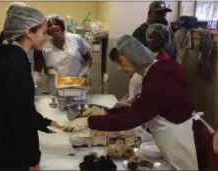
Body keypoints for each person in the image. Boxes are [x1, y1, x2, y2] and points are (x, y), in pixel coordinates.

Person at [69, 35, 209, 170]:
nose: (119, 68)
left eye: (120, 61)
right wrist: (105, 112)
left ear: (132, 55)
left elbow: (132, 118)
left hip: (185, 141)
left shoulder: (160, 78)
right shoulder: (153, 72)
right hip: (175, 141)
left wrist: (89, 122)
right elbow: (138, 108)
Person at [0, 6, 61, 170]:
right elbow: (21, 118)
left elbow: (21, 107)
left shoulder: (11, 57)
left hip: (1, 143)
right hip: (6, 149)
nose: (46, 37)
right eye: (43, 32)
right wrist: (33, 158)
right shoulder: (15, 64)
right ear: (29, 32)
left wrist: (46, 123)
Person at [0, 2, 44, 87]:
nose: (44, 38)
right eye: (43, 33)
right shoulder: (14, 61)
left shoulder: (17, 58)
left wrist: (36, 73)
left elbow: (39, 56)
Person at [116, 23, 171, 107]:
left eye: (156, 39)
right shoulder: (143, 54)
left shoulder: (163, 61)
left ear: (163, 42)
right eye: (150, 38)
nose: (150, 41)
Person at [42, 14, 92, 95]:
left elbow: (88, 57)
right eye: (50, 25)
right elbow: (45, 68)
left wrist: (86, 69)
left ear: (62, 26)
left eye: (56, 24)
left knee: (80, 107)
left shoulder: (75, 39)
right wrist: (51, 71)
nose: (54, 26)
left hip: (78, 84)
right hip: (56, 88)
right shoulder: (45, 48)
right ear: (47, 31)